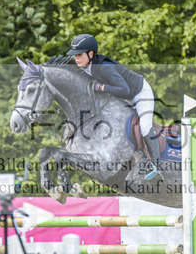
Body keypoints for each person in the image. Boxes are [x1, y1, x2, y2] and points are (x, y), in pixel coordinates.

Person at [66, 33, 162, 181]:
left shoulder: (104, 67)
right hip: (123, 97)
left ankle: (156, 164)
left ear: (90, 54)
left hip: (139, 93)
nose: (76, 58)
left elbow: (125, 90)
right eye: (75, 55)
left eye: (79, 55)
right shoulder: (83, 66)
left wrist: (102, 87)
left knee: (144, 126)